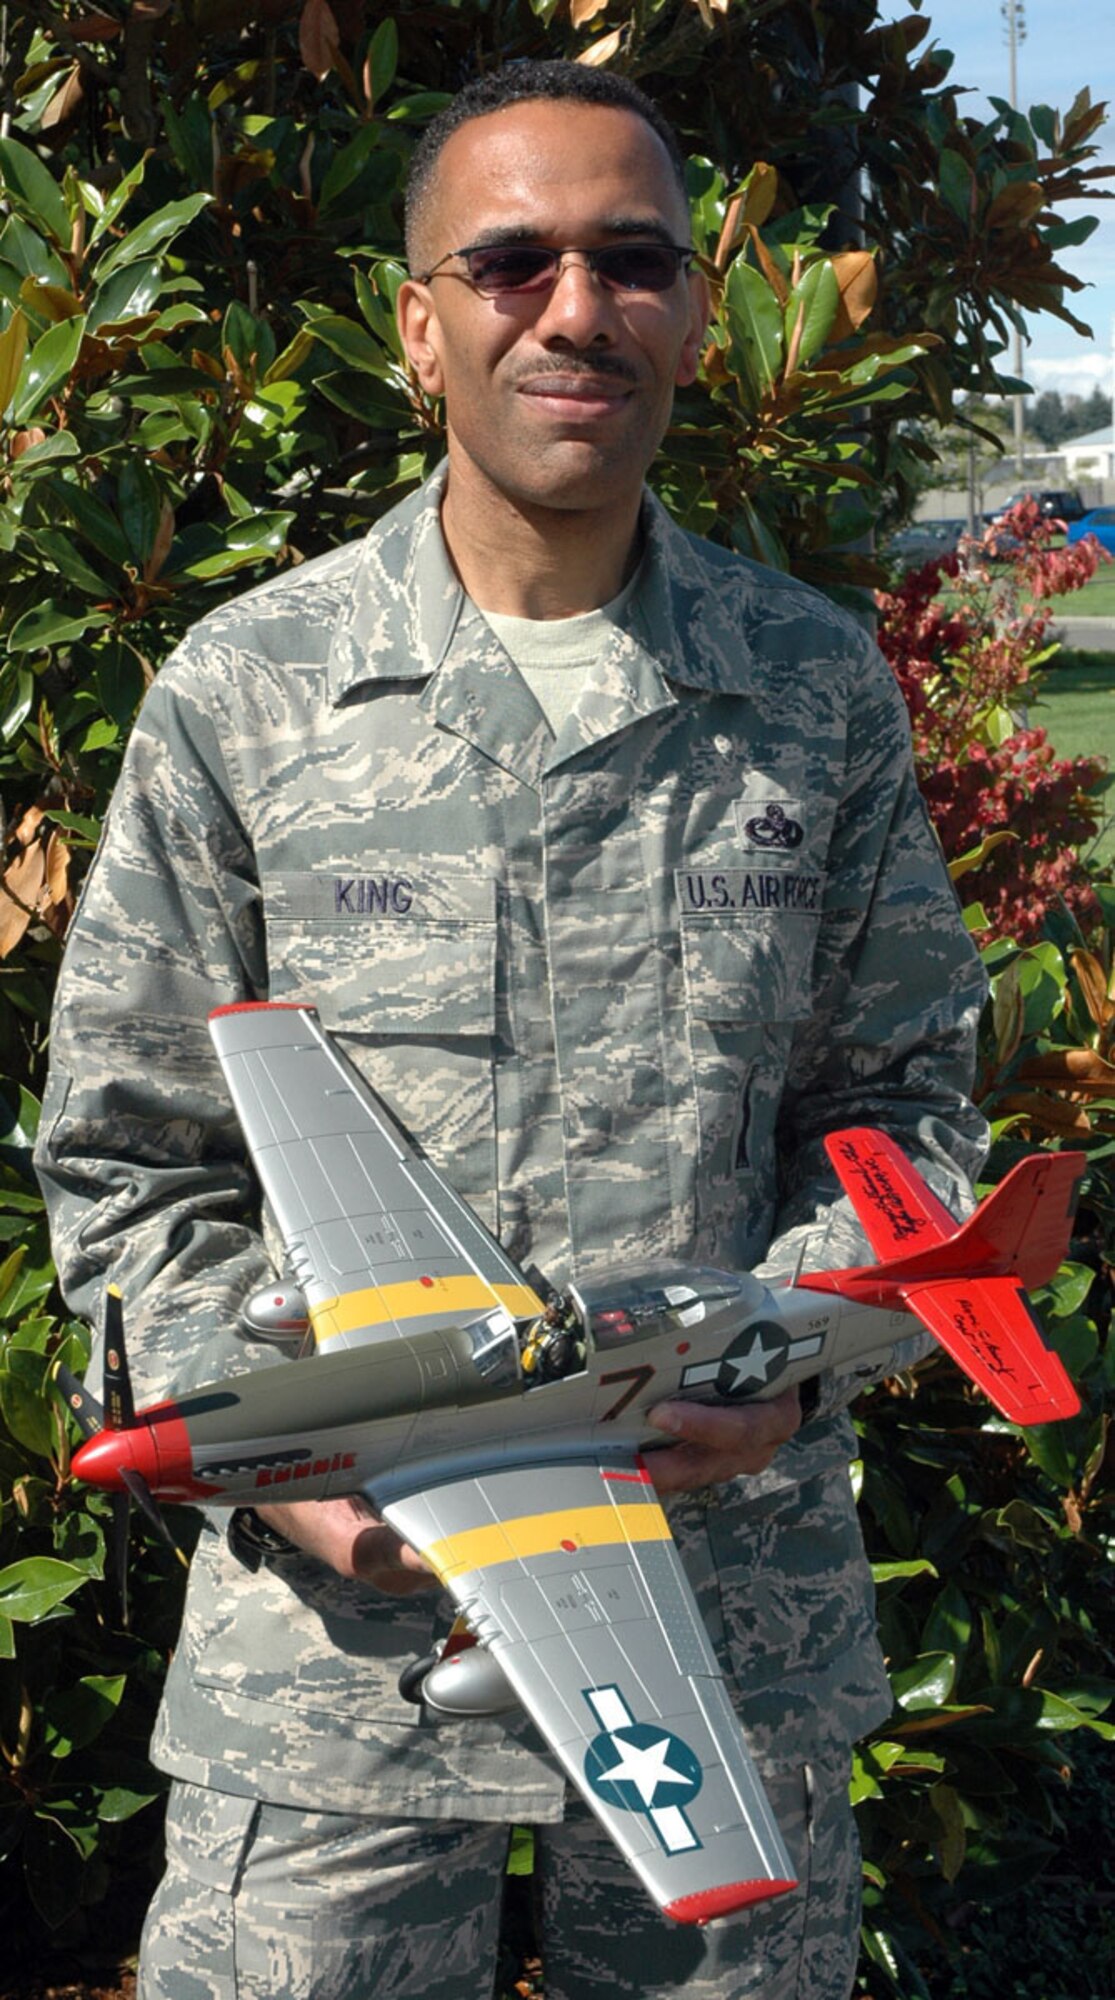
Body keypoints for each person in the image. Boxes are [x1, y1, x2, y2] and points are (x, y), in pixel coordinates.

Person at [35, 58, 988, 2000]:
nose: (578, 308)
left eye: (636, 261)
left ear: (697, 315)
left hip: (726, 1633)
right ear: (418, 319)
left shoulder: (810, 689)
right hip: (333, 1691)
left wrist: (754, 1363)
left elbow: (906, 1110)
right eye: (512, 260)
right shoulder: (252, 686)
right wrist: (283, 1455)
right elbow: (128, 1158)